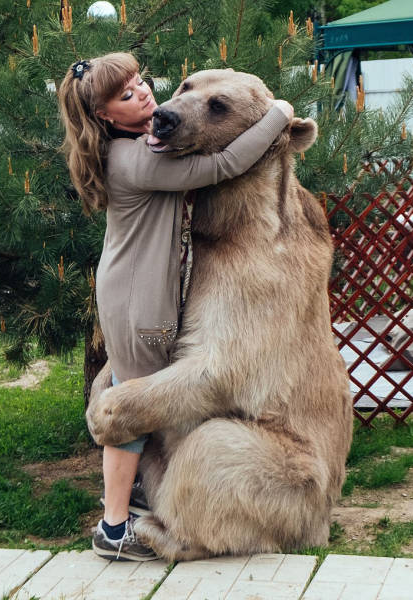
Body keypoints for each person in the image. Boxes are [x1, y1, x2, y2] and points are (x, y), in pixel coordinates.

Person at [58, 52, 293, 561]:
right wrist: (280, 114)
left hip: (131, 287)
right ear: (104, 116)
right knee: (128, 411)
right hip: (138, 297)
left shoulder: (136, 145)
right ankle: (115, 528)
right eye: (125, 96)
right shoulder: (139, 160)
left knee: (132, 394)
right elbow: (226, 163)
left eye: (141, 83)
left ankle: (130, 500)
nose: (146, 96)